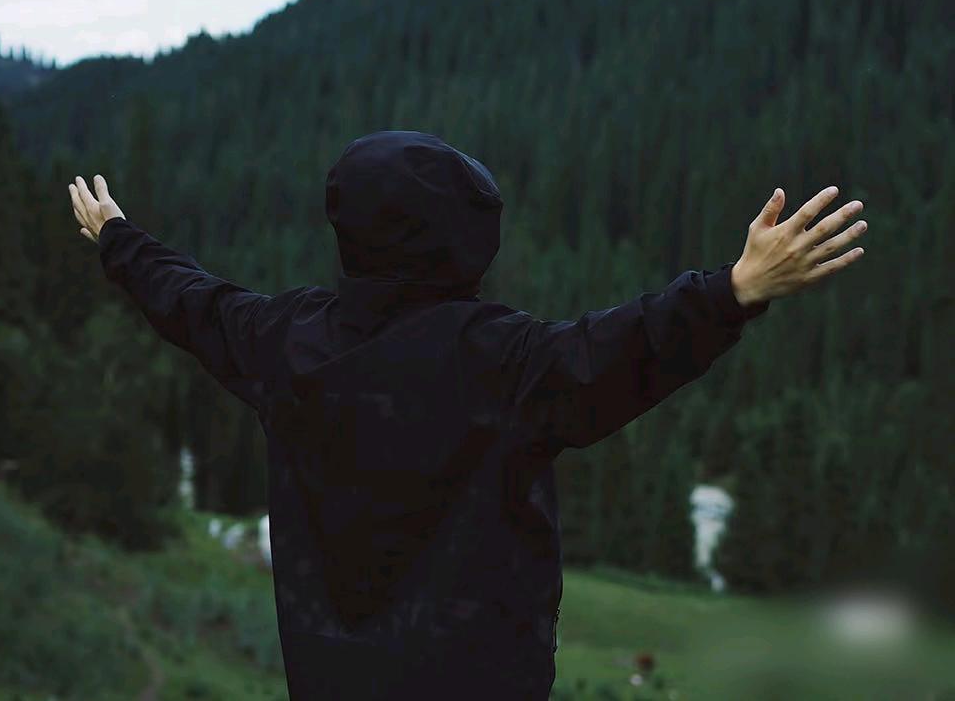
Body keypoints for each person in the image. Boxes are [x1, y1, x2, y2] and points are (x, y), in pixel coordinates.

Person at [68, 130, 867, 700]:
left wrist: (118, 238)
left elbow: (193, 302)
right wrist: (733, 290)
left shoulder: (285, 341)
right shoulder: (504, 360)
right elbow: (623, 349)